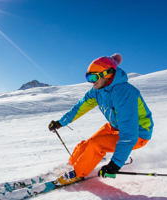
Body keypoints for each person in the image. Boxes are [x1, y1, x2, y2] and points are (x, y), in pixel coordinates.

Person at [48, 53, 153, 185]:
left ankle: (77, 173)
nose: (90, 81)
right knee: (86, 144)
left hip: (138, 133)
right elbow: (81, 106)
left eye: (93, 77)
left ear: (107, 74)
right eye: (88, 77)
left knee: (96, 145)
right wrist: (61, 122)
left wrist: (115, 164)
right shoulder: (97, 90)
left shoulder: (124, 93)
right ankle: (71, 165)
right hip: (115, 126)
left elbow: (129, 134)